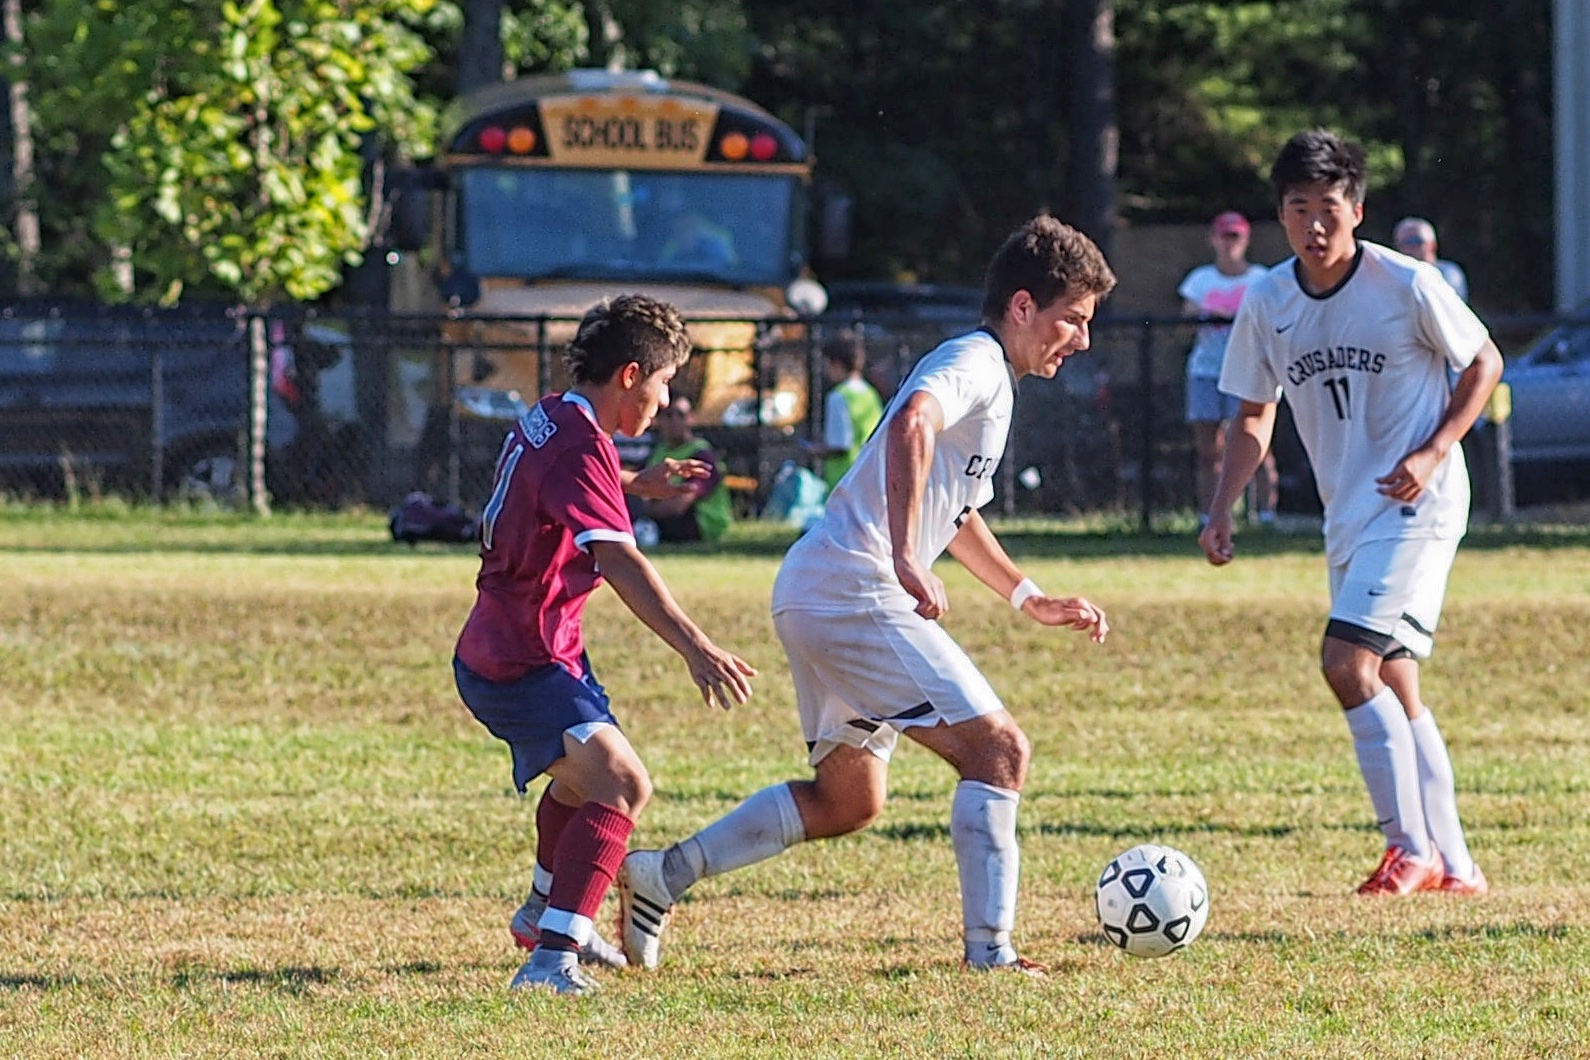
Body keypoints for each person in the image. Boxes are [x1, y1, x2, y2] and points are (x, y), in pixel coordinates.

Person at [617, 214, 1116, 975]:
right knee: (999, 751)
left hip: (819, 587)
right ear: (1023, 306)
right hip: (855, 588)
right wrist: (906, 558)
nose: (1081, 339)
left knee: (847, 801)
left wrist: (1028, 597)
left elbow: (958, 513)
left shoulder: (991, 377)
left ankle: (661, 875)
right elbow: (914, 421)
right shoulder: (977, 361)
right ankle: (992, 956)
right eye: (1073, 319)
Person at [1199, 129, 1503, 898]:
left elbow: (1484, 360)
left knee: (1346, 663)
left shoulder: (1405, 283)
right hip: (1349, 515)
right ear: (1280, 215)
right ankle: (1457, 864)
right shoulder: (1268, 300)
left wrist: (1434, 451)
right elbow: (1253, 413)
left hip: (1419, 502)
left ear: (1357, 211)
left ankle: (1409, 849)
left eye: (1329, 207)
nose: (1314, 224)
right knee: (1394, 678)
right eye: (1298, 208)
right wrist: (1222, 506)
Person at [452, 293, 758, 996]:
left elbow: (557, 474)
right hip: (519, 659)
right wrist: (696, 646)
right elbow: (620, 560)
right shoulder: (583, 443)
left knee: (580, 781)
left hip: (535, 647)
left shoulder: (553, 415)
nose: (665, 400)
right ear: (629, 376)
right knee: (622, 784)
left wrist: (633, 482)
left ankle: (544, 910)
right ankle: (551, 959)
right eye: (664, 383)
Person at [1179, 210, 1278, 525]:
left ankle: (1265, 515)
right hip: (1207, 372)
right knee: (1210, 451)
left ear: (1246, 239)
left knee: (1257, 445)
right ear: (1213, 240)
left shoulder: (1260, 279)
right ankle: (1210, 515)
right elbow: (1183, 326)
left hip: (1250, 372)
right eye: (1224, 236)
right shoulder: (1200, 280)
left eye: (1235, 236)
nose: (1229, 243)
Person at [631, 396, 732, 544]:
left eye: (681, 415)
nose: (674, 421)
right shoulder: (658, 452)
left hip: (700, 523)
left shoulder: (701, 454)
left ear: (691, 419)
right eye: (668, 415)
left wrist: (643, 511)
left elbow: (681, 504)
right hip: (664, 515)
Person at [807, 328, 886, 491]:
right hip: (871, 474)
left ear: (837, 364)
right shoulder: (870, 393)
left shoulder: (838, 396)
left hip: (845, 479)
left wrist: (817, 450)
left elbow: (840, 444)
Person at [1392, 216, 1469, 303]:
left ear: (1432, 245)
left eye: (1416, 241)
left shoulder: (1448, 273)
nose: (1409, 248)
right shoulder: (1394, 277)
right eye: (1404, 243)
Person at [659, 211, 736, 271]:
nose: (683, 235)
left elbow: (728, 270)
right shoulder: (670, 255)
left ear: (695, 230)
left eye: (686, 229)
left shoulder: (716, 248)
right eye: (678, 232)